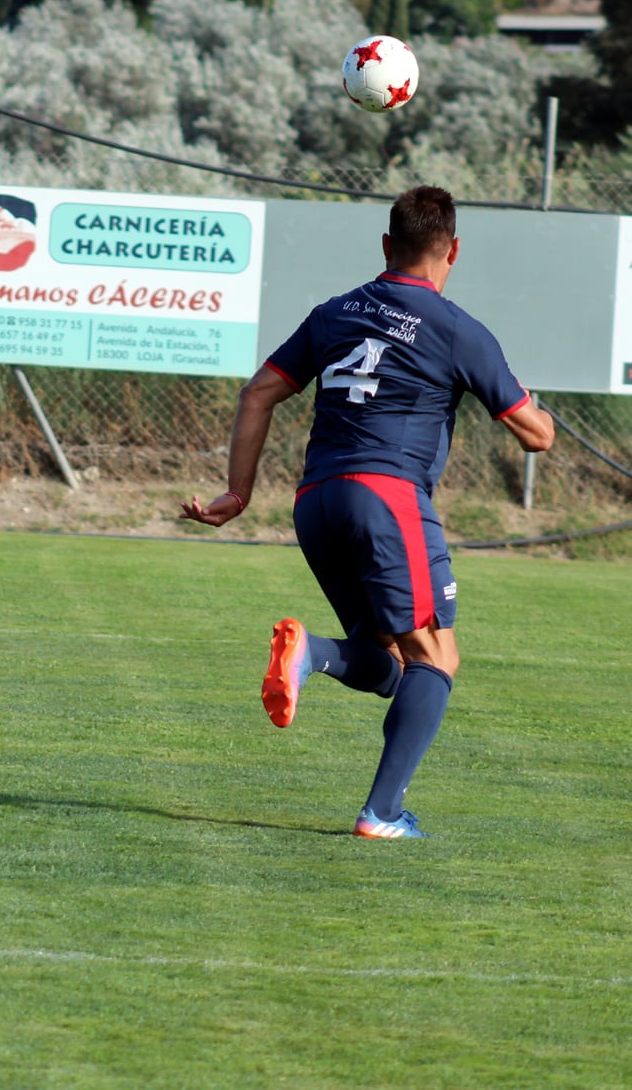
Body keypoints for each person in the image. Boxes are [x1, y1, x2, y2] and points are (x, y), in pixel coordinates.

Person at [182, 185, 553, 838]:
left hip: (315, 502)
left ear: (387, 246)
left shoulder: (337, 311)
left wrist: (237, 494)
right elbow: (536, 435)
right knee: (439, 658)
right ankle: (381, 813)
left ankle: (314, 656)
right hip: (386, 497)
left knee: (392, 664)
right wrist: (544, 413)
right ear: (454, 251)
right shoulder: (456, 327)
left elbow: (259, 392)